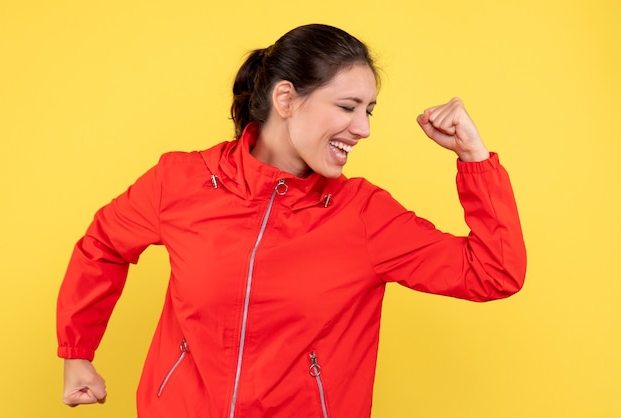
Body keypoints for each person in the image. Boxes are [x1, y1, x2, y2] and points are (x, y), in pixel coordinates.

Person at [57, 23, 526, 418]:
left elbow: (494, 272)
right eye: (347, 107)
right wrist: (77, 353)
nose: (363, 129)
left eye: (368, 111)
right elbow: (103, 246)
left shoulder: (364, 215)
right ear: (286, 98)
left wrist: (474, 157)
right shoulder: (182, 181)